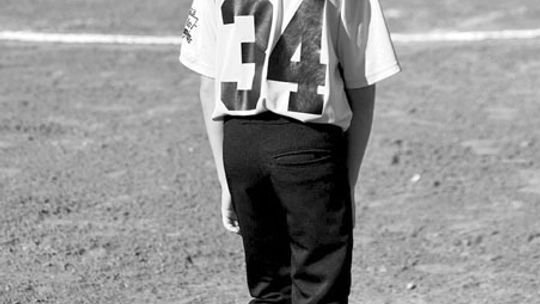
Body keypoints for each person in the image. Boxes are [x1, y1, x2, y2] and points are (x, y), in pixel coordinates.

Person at [179, 0, 400, 303]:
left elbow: (209, 87)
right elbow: (362, 87)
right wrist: (347, 181)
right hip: (308, 147)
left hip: (240, 145)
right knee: (320, 292)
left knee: (269, 292)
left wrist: (224, 175)